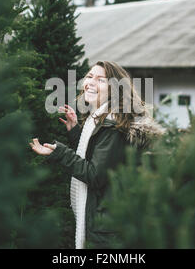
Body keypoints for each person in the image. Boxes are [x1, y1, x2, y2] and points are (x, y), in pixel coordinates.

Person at [29, 61, 165, 249]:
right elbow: (100, 157)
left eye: (101, 80)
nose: (91, 82)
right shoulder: (102, 120)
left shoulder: (113, 126)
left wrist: (60, 152)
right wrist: (76, 131)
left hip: (108, 228)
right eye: (90, 76)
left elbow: (95, 175)